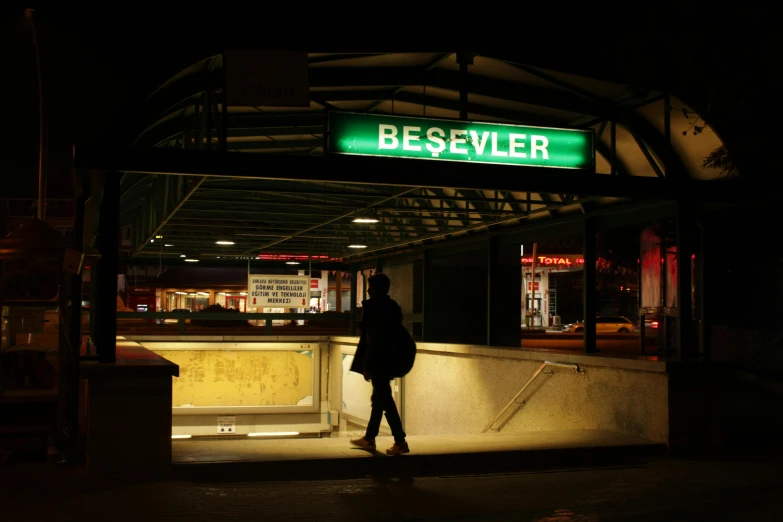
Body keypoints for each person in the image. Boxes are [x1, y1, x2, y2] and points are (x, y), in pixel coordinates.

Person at [349, 272, 409, 456]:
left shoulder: (375, 309)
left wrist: (367, 365)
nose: (368, 290)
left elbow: (372, 340)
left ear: (377, 289)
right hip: (388, 359)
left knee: (384, 400)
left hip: (378, 361)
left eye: (370, 286)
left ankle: (398, 441)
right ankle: (370, 438)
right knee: (380, 399)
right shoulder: (392, 307)